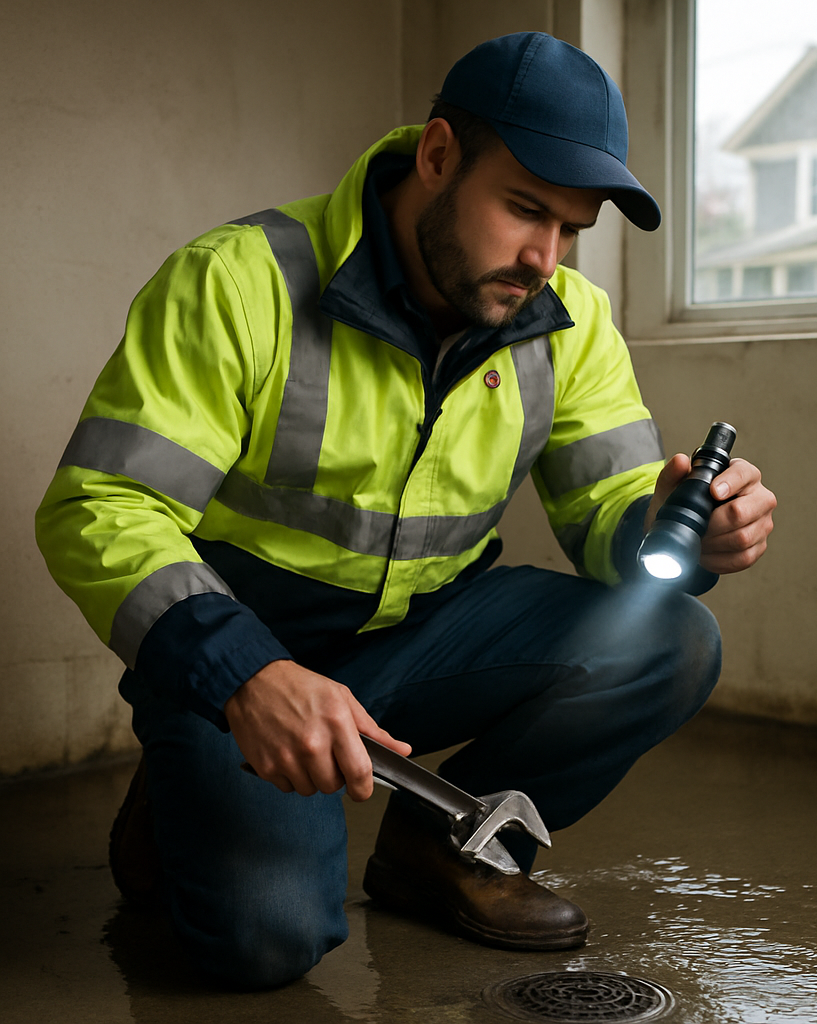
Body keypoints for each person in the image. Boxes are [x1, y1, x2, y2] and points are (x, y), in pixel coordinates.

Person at [36, 32, 775, 989]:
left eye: (571, 228)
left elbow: (611, 514)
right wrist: (241, 670)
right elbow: (101, 503)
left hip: (426, 642)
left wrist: (676, 525)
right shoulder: (238, 282)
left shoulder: (569, 322)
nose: (545, 257)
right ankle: (184, 789)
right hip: (252, 661)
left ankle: (444, 852)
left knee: (675, 637)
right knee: (265, 939)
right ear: (435, 157)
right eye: (523, 209)